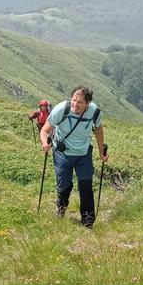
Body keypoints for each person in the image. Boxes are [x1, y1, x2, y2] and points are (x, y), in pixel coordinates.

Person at [41, 86, 108, 227]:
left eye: (80, 102)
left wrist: (101, 151)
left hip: (83, 153)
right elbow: (45, 130)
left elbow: (98, 128)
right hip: (62, 153)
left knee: (86, 186)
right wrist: (45, 143)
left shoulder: (94, 111)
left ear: (87, 104)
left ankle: (88, 221)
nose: (75, 104)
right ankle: (61, 208)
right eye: (74, 100)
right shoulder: (61, 109)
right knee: (64, 185)